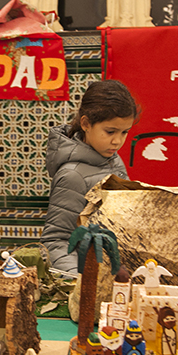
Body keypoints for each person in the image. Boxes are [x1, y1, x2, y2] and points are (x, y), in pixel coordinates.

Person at [41, 80, 138, 274]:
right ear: (86, 124)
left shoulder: (112, 160)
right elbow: (55, 242)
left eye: (124, 132)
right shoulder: (72, 175)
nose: (117, 141)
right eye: (110, 131)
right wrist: (86, 282)